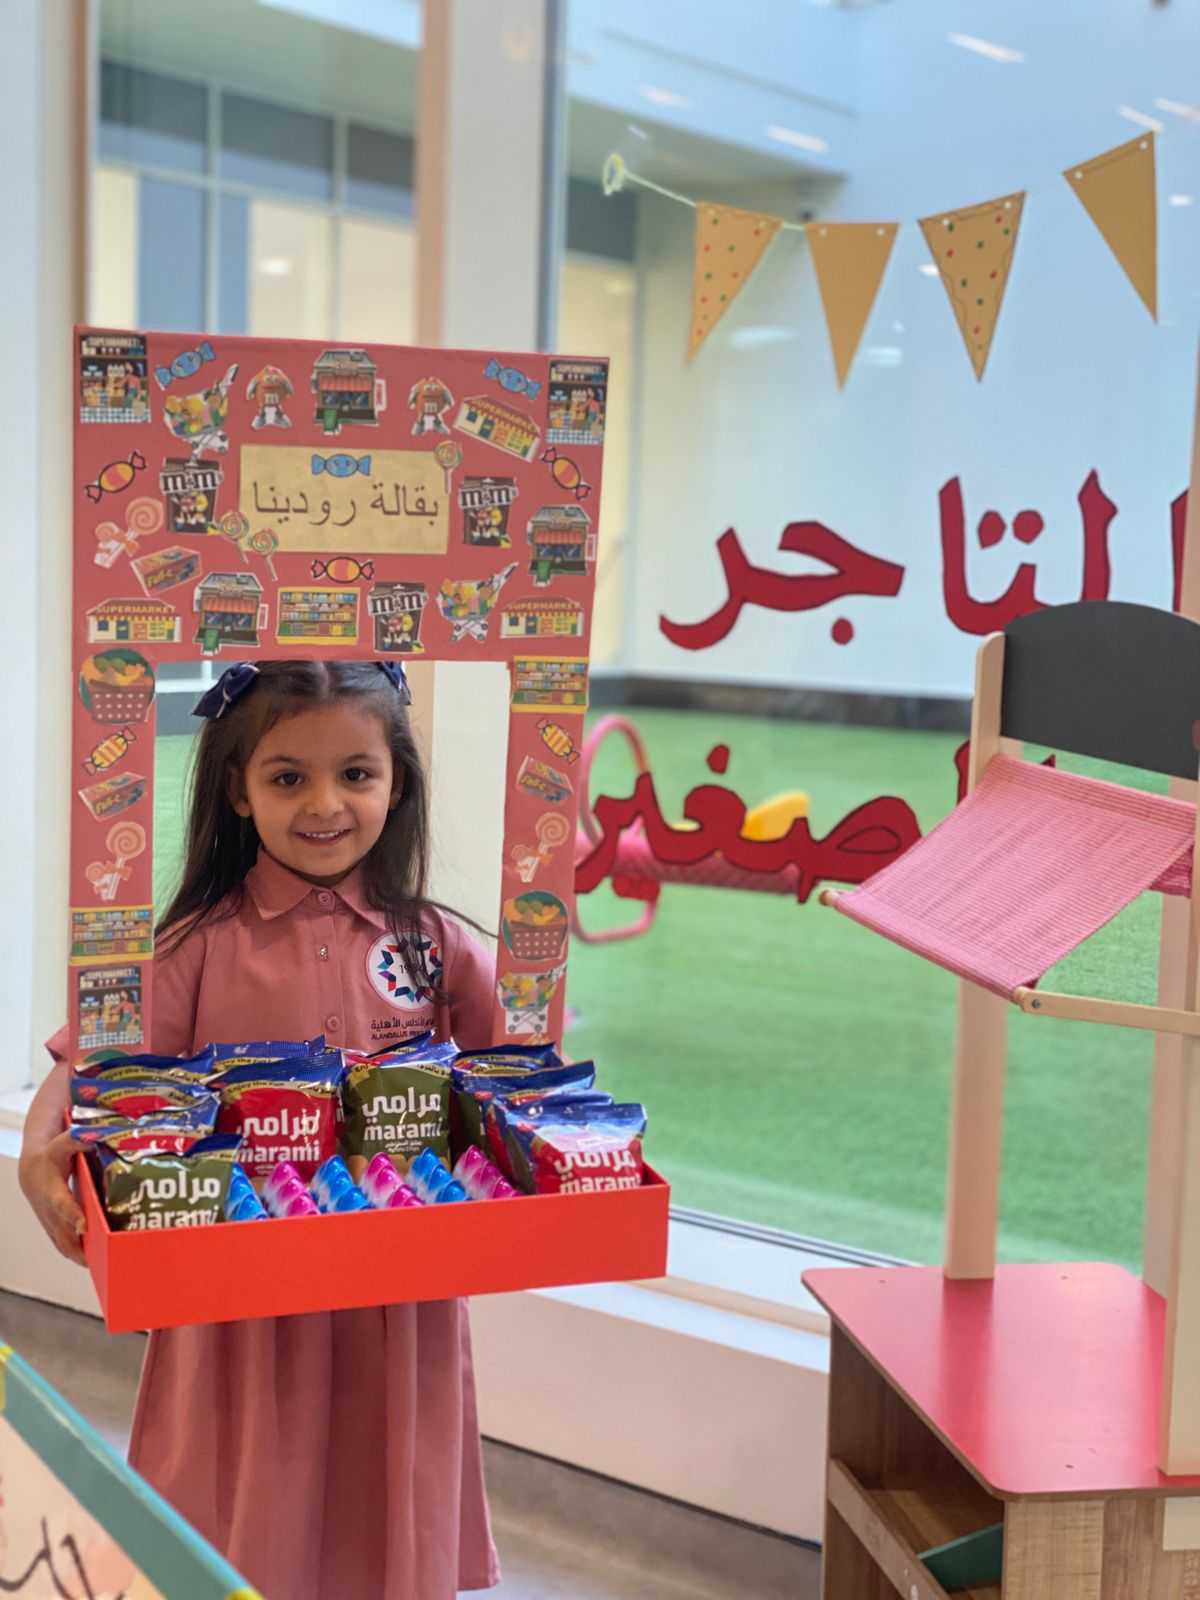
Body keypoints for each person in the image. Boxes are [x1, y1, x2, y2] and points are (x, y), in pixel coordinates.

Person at [19, 659, 501, 1598]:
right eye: (288, 777)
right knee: (240, 1510)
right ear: (238, 790)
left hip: (398, 1301)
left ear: (397, 782)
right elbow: (89, 1065)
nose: (325, 804)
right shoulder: (195, 947)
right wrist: (40, 1155)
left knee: (383, 1504)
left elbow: (520, 1071)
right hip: (237, 1304)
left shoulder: (435, 944)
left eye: (355, 773)